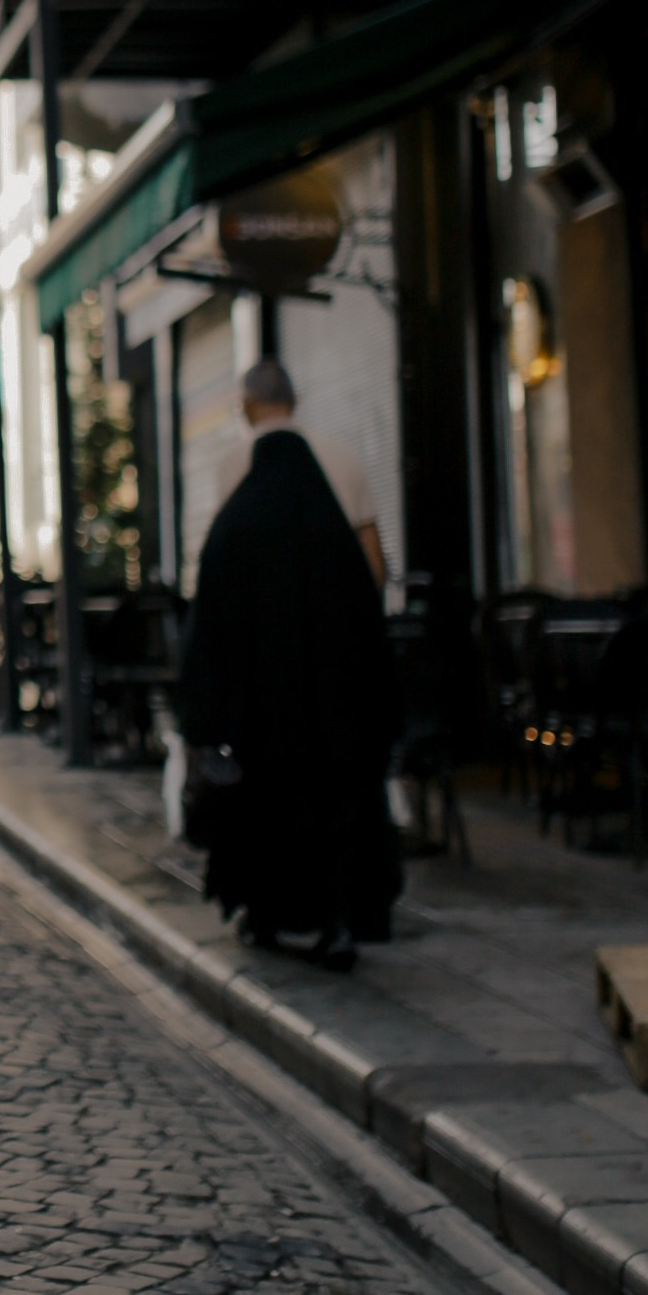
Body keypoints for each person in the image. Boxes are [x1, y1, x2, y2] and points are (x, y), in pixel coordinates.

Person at [175, 404, 404, 970]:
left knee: (268, 820)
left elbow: (207, 630)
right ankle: (339, 923)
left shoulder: (236, 526)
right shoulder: (332, 534)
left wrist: (206, 718)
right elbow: (370, 609)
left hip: (262, 728)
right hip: (335, 724)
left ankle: (267, 915)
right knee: (336, 816)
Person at [210, 356, 386, 585]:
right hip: (336, 603)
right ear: (294, 401)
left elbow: (227, 551)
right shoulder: (344, 455)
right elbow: (371, 550)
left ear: (247, 405)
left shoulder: (235, 463)